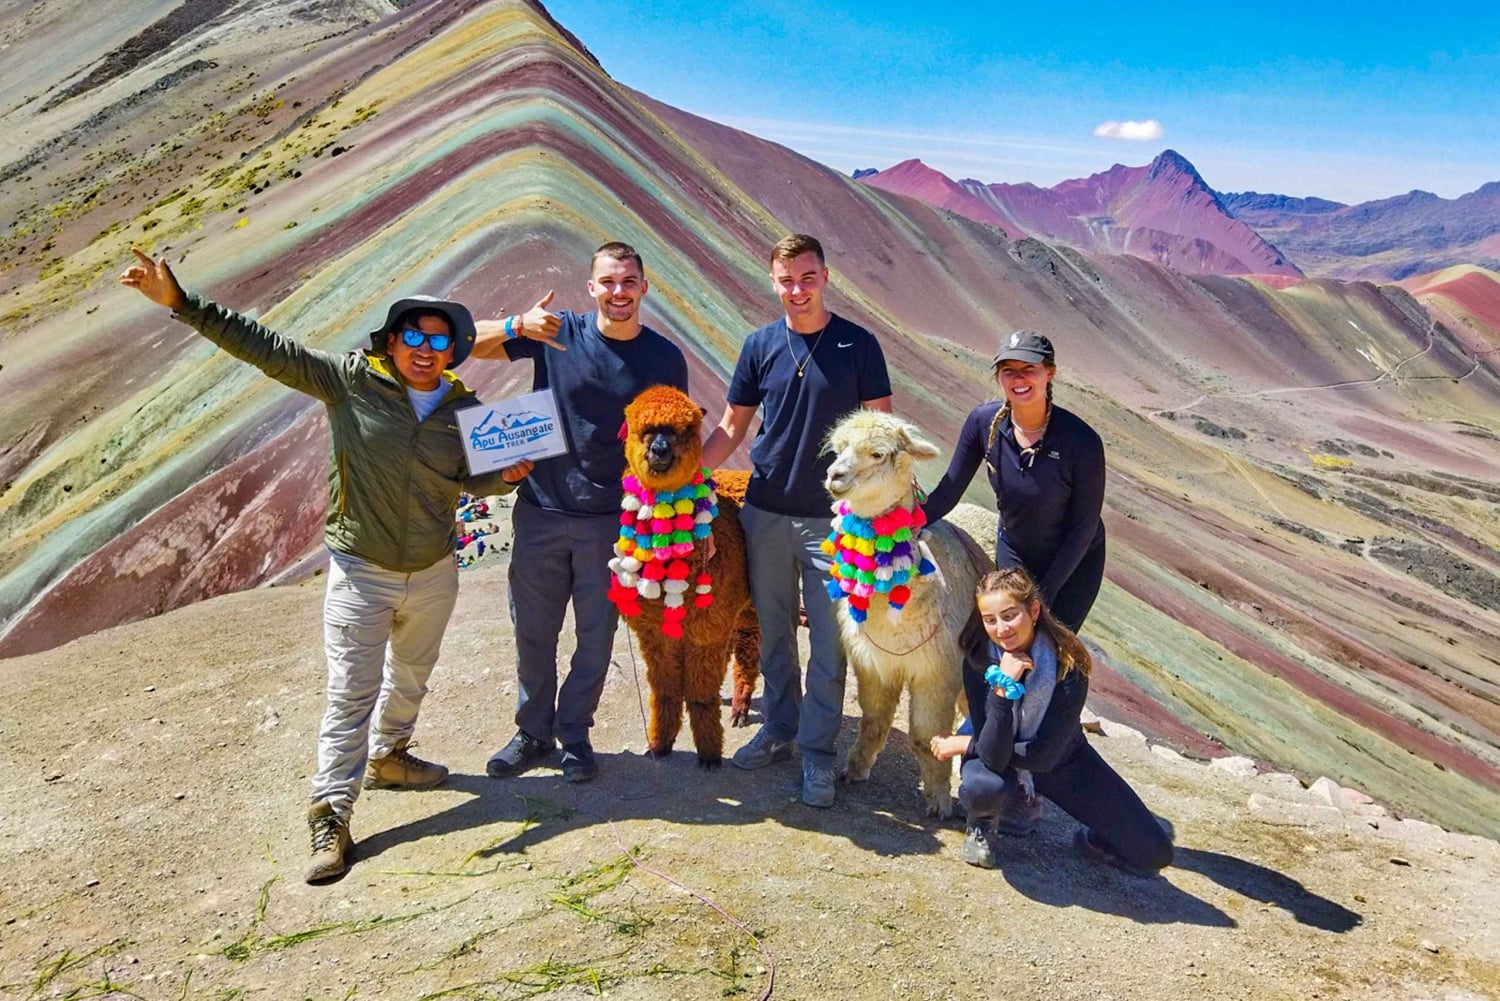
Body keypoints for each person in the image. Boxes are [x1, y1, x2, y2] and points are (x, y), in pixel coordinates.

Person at [118, 248, 533, 884]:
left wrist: (507, 476)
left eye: (439, 340)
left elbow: (471, 479)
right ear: (392, 342)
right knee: (350, 695)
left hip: (432, 569)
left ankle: (391, 756)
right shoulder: (349, 382)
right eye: (414, 336)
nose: (426, 349)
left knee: (412, 675)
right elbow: (269, 349)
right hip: (361, 569)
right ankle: (331, 813)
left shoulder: (465, 409)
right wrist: (183, 305)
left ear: (452, 351)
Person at [472, 241, 688, 784]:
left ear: (644, 287)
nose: (619, 292)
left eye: (629, 282)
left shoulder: (665, 358)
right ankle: (531, 733)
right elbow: (463, 343)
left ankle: (574, 734)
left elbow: (676, 437)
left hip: (614, 523)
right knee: (533, 633)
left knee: (596, 638)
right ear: (591, 287)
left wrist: (671, 521)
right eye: (608, 282)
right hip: (541, 511)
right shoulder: (556, 333)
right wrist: (517, 324)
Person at [700, 233, 892, 808]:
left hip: (834, 522)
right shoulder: (760, 345)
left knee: (830, 642)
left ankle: (818, 753)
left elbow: (881, 431)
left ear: (825, 278)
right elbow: (732, 428)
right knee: (773, 631)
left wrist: (885, 502)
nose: (798, 290)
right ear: (773, 281)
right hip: (764, 513)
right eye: (787, 280)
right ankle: (780, 728)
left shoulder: (859, 345)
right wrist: (685, 478)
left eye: (808, 278)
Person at [929, 568, 1173, 874]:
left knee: (1154, 853)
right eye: (990, 619)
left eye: (1009, 616)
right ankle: (982, 822)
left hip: (1058, 755)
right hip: (993, 739)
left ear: (1033, 611)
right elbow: (992, 755)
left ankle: (1093, 838)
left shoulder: (1068, 663)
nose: (1001, 629)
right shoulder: (979, 656)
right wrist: (1003, 687)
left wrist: (964, 744)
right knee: (984, 787)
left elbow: (1042, 757)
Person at [922, 330, 1104, 633]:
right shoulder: (982, 423)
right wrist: (906, 521)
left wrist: (1042, 596)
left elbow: (1083, 527)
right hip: (1015, 549)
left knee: (1050, 643)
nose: (1018, 378)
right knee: (1001, 638)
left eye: (1029, 368)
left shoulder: (1081, 441)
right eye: (1008, 370)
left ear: (1050, 373)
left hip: (1073, 561)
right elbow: (949, 489)